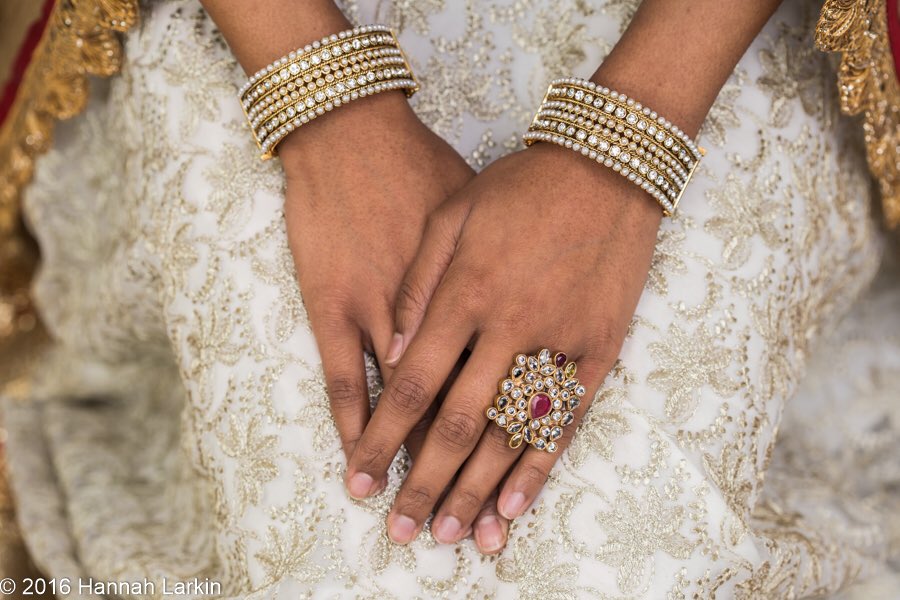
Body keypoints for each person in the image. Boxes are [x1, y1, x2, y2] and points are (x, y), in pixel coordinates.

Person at [1, 0, 899, 597]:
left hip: (702, 36)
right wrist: (324, 97)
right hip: (270, 19)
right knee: (351, 545)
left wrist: (625, 148)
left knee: (603, 553)